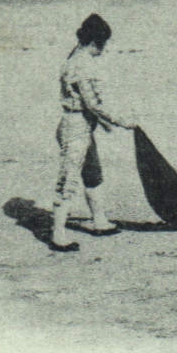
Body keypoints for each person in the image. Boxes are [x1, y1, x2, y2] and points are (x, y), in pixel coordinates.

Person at [50, 13, 131, 252]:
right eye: (102, 45)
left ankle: (99, 220)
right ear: (95, 42)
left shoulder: (74, 57)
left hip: (80, 124)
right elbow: (93, 104)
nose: (103, 50)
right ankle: (57, 235)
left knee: (92, 173)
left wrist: (103, 123)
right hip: (76, 127)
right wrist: (120, 121)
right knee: (69, 180)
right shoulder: (82, 64)